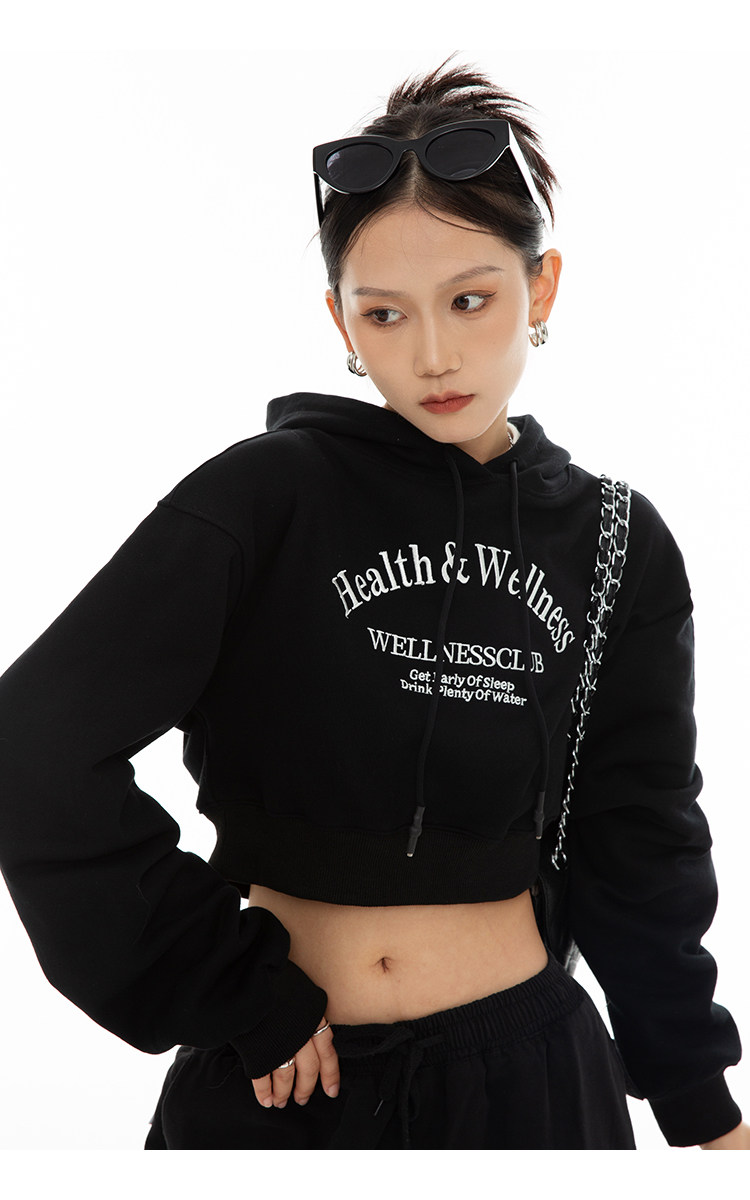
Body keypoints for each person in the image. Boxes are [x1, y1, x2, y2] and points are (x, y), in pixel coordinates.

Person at [0, 57, 746, 1151]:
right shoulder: (267, 498)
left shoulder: (615, 542)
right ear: (340, 322)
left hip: (533, 1088)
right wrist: (228, 985)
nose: (433, 354)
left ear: (541, 290)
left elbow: (639, 835)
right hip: (283, 1083)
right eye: (384, 314)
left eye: (470, 300)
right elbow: (35, 742)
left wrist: (700, 1104)